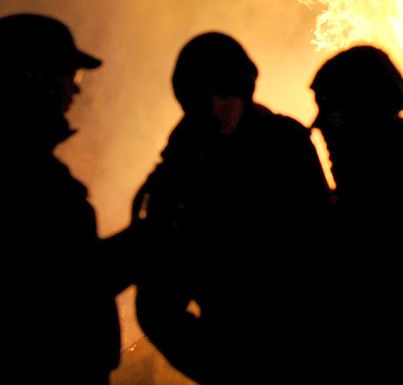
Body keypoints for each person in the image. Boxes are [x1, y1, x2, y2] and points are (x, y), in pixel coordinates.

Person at [133, 32, 331, 383]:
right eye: (201, 98)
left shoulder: (288, 148)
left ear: (244, 89)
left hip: (304, 354)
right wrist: (219, 366)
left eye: (224, 93)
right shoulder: (181, 167)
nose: (216, 107)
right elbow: (157, 302)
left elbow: (325, 252)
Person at [0, 13, 140, 384]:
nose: (75, 91)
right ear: (34, 78)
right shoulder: (29, 179)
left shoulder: (32, 169)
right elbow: (71, 285)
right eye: (69, 76)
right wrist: (146, 239)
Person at [310, 45, 403, 384]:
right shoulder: (394, 184)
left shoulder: (395, 197)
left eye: (332, 112)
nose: (320, 129)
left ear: (363, 111)